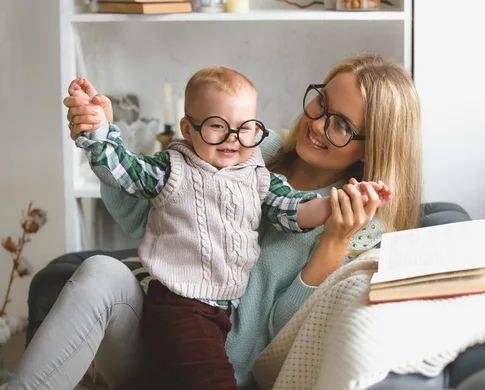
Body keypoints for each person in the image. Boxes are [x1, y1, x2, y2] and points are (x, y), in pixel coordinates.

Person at [7, 54, 422, 390]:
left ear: (372, 149)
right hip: (162, 325)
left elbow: (284, 341)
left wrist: (332, 241)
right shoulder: (255, 145)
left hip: (221, 366)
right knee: (99, 271)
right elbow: (143, 217)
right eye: (322, 102)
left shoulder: (362, 226)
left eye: (341, 125)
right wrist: (105, 140)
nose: (316, 124)